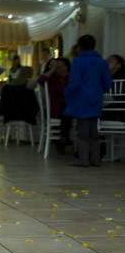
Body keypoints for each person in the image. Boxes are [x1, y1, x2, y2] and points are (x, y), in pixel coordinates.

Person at [65, 35, 113, 166]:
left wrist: (67, 92)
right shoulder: (102, 62)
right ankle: (96, 158)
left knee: (83, 127)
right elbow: (108, 81)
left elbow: (75, 81)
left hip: (81, 96)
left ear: (80, 47)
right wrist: (100, 90)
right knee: (93, 126)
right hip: (96, 96)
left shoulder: (78, 61)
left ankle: (83, 158)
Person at [36, 58, 72, 153]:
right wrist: (52, 69)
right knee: (67, 108)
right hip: (56, 109)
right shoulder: (51, 79)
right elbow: (40, 80)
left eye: (63, 66)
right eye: (57, 68)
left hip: (71, 108)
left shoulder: (70, 78)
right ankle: (64, 137)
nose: (61, 69)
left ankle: (80, 146)